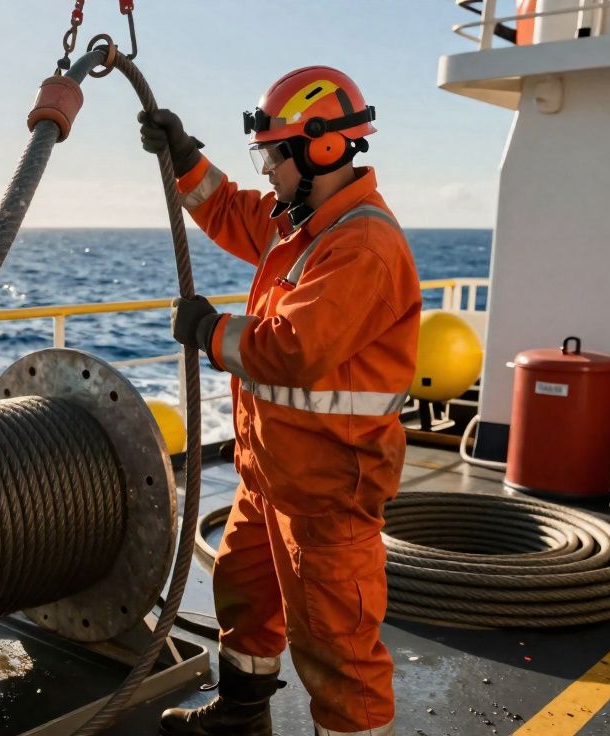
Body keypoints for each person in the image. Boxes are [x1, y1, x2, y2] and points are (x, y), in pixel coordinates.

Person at [139, 66, 421, 736]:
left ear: (320, 148)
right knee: (245, 593)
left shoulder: (363, 245)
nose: (265, 168)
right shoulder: (304, 222)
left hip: (328, 488)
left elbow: (293, 348)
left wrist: (210, 331)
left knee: (335, 645)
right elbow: (231, 210)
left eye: (272, 152)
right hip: (273, 473)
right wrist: (185, 160)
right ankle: (241, 718)